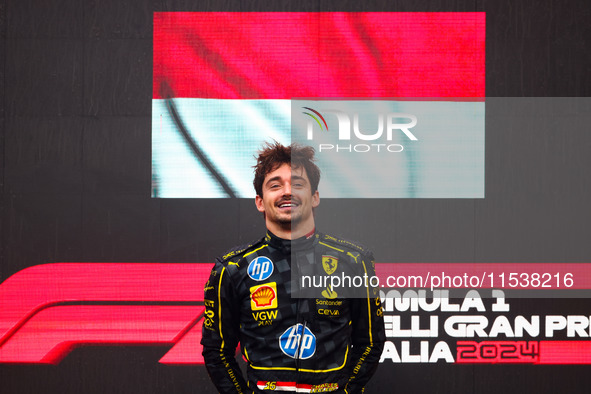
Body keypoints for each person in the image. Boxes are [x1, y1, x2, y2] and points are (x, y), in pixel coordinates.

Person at [201, 142, 385, 393]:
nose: (287, 191)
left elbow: (370, 342)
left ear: (315, 197)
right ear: (259, 201)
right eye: (275, 185)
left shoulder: (353, 261)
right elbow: (216, 351)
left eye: (298, 184)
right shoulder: (232, 269)